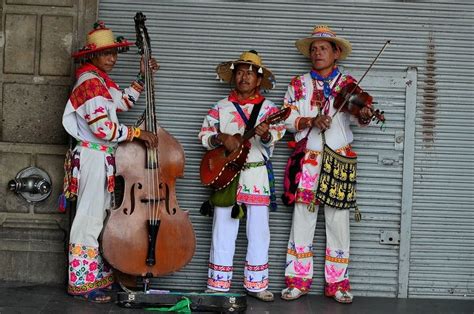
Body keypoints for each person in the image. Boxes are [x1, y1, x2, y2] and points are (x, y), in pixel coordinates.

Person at [62, 21, 159, 303]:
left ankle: (96, 277)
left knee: (99, 216)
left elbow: (123, 103)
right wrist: (137, 133)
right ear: (92, 55)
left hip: (101, 157)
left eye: (114, 53)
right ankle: (81, 282)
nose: (112, 58)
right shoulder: (90, 83)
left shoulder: (101, 82)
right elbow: (103, 130)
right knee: (89, 218)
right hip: (93, 155)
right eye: (106, 54)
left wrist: (141, 78)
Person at [280, 26, 374, 303]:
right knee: (302, 220)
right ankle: (297, 281)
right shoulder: (297, 84)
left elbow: (358, 118)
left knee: (338, 222)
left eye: (323, 48)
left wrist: (366, 113)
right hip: (308, 158)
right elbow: (285, 117)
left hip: (339, 159)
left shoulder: (349, 85)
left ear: (336, 52)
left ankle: (338, 283)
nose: (317, 52)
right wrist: (310, 121)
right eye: (313, 48)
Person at [198, 50, 285, 302]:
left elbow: (276, 135)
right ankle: (218, 285)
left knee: (259, 231)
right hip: (227, 175)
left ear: (259, 80)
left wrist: (266, 134)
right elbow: (204, 135)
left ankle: (256, 284)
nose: (244, 77)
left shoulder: (269, 109)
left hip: (256, 175)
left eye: (250, 73)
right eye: (240, 73)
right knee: (222, 230)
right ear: (233, 77)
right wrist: (219, 138)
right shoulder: (220, 107)